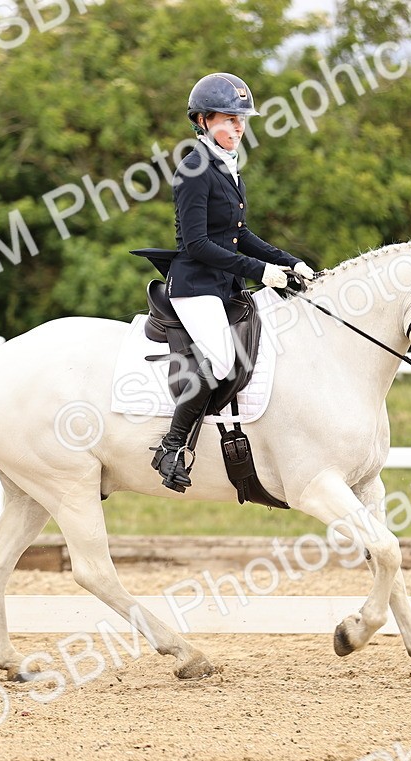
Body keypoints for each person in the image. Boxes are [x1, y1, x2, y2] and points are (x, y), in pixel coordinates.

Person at [150, 72, 314, 493]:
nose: (237, 128)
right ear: (202, 120)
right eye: (228, 119)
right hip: (194, 285)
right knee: (222, 360)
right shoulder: (193, 169)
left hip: (223, 286)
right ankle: (171, 448)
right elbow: (198, 244)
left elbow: (240, 235)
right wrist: (261, 273)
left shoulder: (229, 168)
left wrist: (290, 261)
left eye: (242, 120)